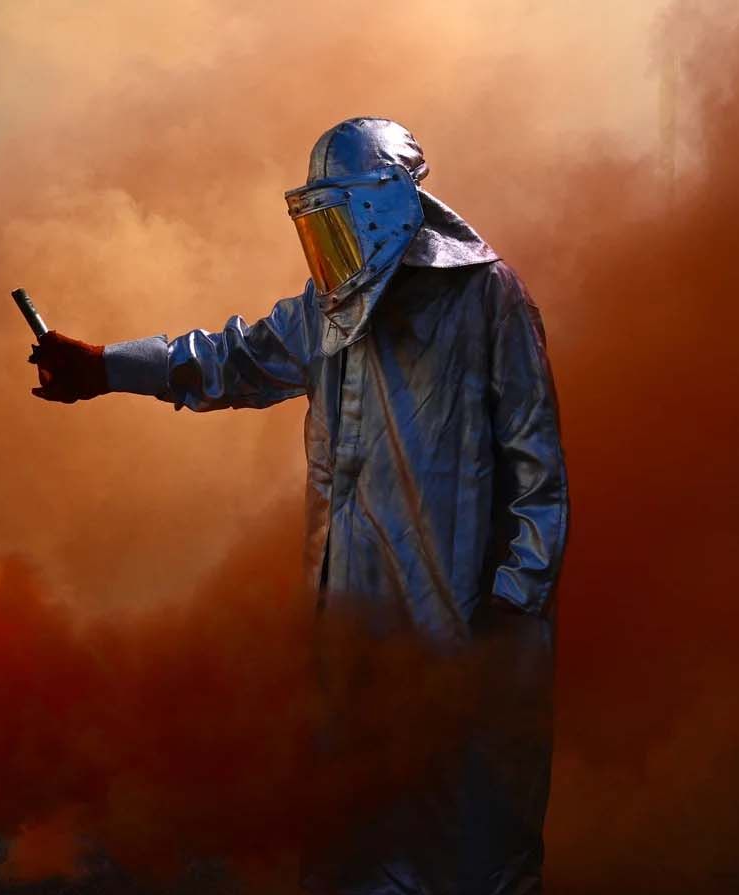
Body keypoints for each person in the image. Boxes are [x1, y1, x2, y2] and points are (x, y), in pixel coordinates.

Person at [28, 118, 568, 893]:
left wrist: (511, 612)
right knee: (354, 822)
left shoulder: (485, 298)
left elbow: (537, 469)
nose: (328, 250)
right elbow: (229, 358)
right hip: (349, 623)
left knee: (463, 837)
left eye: (338, 223)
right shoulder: (326, 310)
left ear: (383, 209)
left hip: (457, 630)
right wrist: (108, 367)